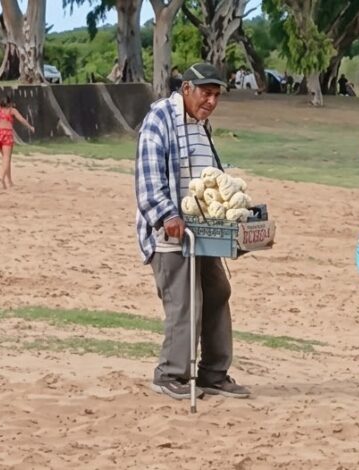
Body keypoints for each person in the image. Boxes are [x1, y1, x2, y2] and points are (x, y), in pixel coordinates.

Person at [135, 62, 250, 401]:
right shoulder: (160, 118)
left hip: (203, 231)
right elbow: (148, 179)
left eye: (217, 95)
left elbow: (209, 178)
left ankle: (214, 373)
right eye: (206, 93)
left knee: (217, 292)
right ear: (186, 89)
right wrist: (167, 215)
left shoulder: (201, 125)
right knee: (185, 302)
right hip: (170, 234)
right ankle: (170, 374)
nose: (211, 101)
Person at [0, 95, 35, 190]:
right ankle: (2, 176)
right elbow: (21, 119)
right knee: (7, 158)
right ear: (9, 103)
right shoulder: (12, 110)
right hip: (7, 133)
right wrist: (30, 127)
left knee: (5, 158)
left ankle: (9, 181)